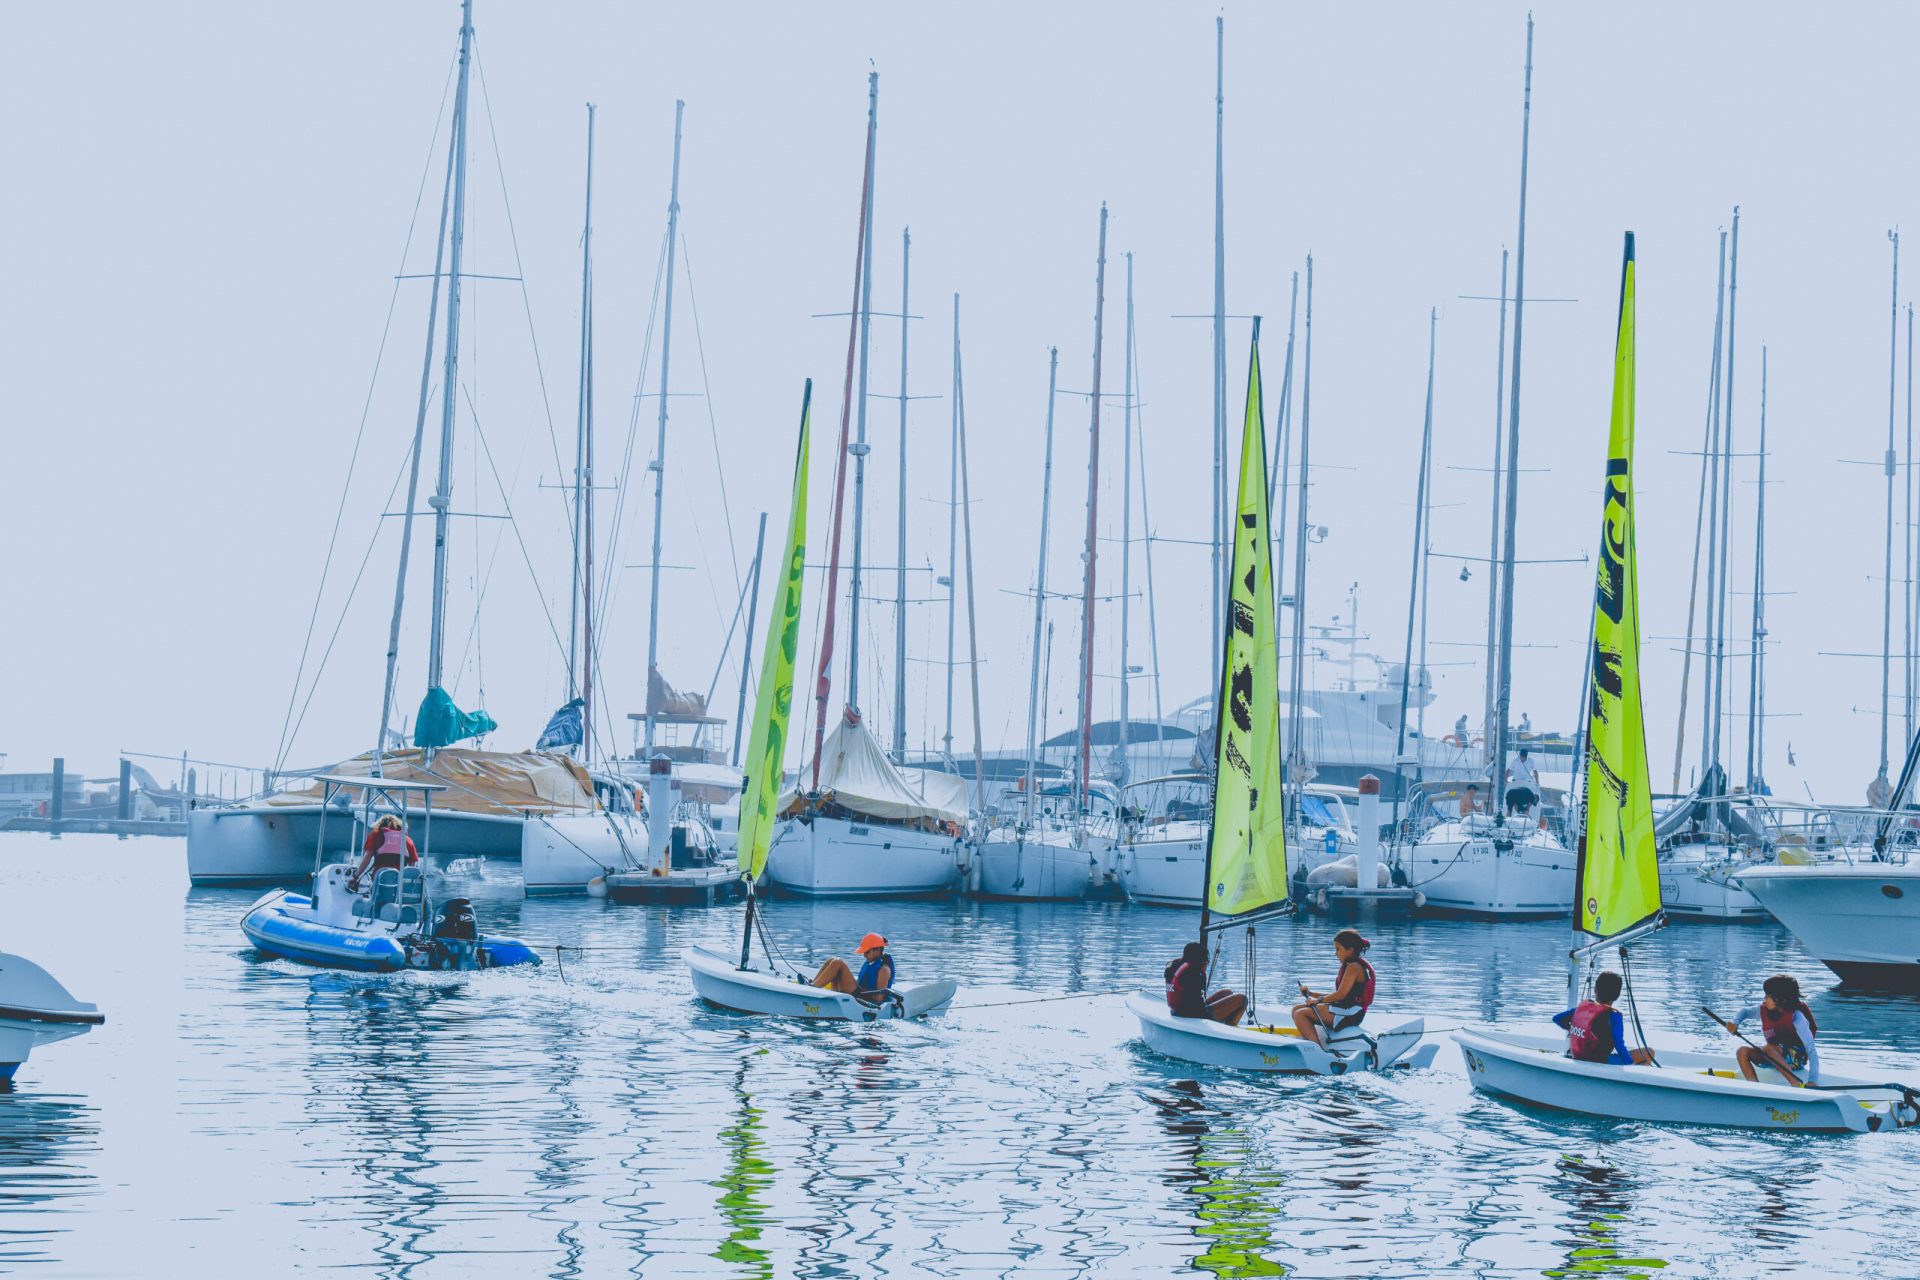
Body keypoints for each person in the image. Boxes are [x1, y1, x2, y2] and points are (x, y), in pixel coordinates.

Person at [1722, 974, 1820, 1084]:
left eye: (1768, 996)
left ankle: (1795, 1084)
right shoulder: (1764, 1009)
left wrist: (1813, 1080)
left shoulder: (1797, 1017)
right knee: (1742, 1051)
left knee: (1769, 1048)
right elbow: (1745, 1012)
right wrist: (1735, 1023)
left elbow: (1811, 1051)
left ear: (1780, 998)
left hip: (1796, 1060)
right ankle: (1754, 1087)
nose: (1764, 999)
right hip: (1773, 1055)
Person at [1292, 929, 1376, 1044]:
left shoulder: (1354, 967)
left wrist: (1317, 1001)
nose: (1335, 953)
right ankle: (1309, 1042)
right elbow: (1338, 996)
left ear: (1350, 950)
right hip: (1345, 1009)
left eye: (1338, 949)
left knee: (1300, 1014)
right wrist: (1310, 993)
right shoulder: (1351, 965)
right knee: (1295, 1009)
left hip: (1351, 1014)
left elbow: (1340, 995)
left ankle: (1317, 1051)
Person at [1553, 971, 1655, 1065]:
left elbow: (1557, 1019)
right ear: (1617, 995)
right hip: (1600, 1062)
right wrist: (1629, 1064)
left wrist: (1572, 1028)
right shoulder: (1614, 1016)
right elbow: (1619, 1044)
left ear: (1595, 990)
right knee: (1649, 1052)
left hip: (1578, 1057)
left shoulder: (1583, 1009)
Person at [1164, 940, 1247, 1026]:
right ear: (1198, 959)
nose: (1206, 962)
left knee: (1227, 992)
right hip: (1193, 1015)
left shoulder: (1175, 967)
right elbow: (1199, 1007)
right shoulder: (1193, 974)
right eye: (1205, 959)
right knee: (1243, 999)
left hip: (1179, 1011)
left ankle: (1225, 1022)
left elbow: (1195, 1000)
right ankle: (1229, 1028)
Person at [813, 933, 897, 1005]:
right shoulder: (871, 962)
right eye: (864, 952)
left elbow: (879, 999)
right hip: (858, 992)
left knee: (838, 963)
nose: (865, 955)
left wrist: (857, 987)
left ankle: (813, 988)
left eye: (867, 952)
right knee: (831, 960)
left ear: (878, 950)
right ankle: (812, 984)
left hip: (861, 998)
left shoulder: (884, 970)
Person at [348, 814, 418, 891]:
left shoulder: (375, 835)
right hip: (399, 882)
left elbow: (367, 858)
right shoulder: (408, 840)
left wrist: (356, 876)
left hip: (380, 879)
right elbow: (412, 866)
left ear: (380, 825)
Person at [1507, 747, 1539, 815]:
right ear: (1519, 755)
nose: (1522, 758)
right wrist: (1505, 780)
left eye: (1523, 757)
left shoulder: (1531, 761)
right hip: (1516, 782)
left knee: (1526, 803)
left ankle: (1524, 815)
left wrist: (1537, 782)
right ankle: (1514, 813)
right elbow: (1509, 770)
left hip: (1527, 783)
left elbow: (1535, 771)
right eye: (1521, 757)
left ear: (1526, 756)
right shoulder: (1515, 760)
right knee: (1514, 803)